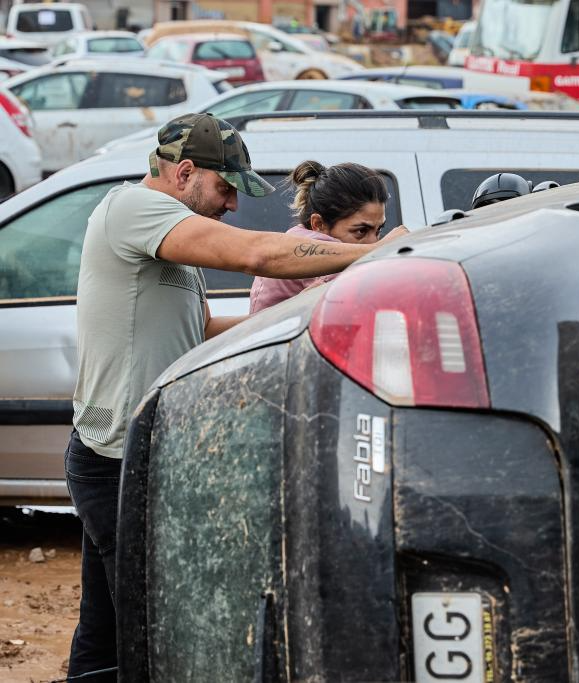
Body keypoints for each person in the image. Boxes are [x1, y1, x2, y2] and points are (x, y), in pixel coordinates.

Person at [64, 112, 407, 681]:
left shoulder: (167, 237)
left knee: (107, 632)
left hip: (134, 451)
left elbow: (198, 328)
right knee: (152, 631)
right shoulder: (133, 209)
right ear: (185, 173)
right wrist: (377, 255)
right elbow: (256, 254)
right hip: (118, 458)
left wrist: (295, 317)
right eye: (226, 188)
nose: (232, 204)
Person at [249, 160, 389, 314]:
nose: (373, 243)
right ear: (318, 224)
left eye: (378, 230)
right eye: (361, 231)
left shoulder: (297, 238)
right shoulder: (316, 248)